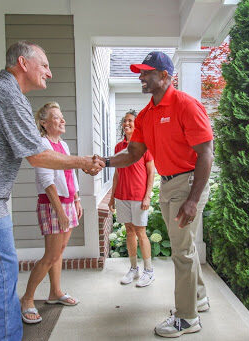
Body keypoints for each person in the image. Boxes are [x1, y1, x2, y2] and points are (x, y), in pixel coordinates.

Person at [89, 51, 213, 338]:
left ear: (165, 76)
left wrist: (193, 199)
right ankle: (199, 298)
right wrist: (105, 161)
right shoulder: (145, 114)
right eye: (140, 72)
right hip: (169, 185)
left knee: (181, 252)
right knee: (187, 247)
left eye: (147, 72)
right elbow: (133, 153)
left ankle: (186, 318)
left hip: (189, 183)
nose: (141, 77)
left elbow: (206, 153)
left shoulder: (185, 105)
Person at [0, 41, 103, 341]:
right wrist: (83, 162)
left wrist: (75, 196)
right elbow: (38, 158)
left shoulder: (1, 93)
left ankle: (54, 292)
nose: (50, 74)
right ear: (23, 64)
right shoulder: (6, 94)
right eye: (45, 66)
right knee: (1, 281)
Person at [20, 102, 82, 324]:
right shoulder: (42, 145)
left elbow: (70, 173)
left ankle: (55, 293)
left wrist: (76, 199)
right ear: (44, 124)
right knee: (50, 255)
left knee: (59, 252)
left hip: (67, 203)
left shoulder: (63, 145)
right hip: (52, 204)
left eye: (62, 115)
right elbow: (47, 182)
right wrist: (60, 211)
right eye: (57, 117)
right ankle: (27, 299)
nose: (62, 119)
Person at [109, 110, 155, 287]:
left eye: (130, 121)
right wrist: (112, 197)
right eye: (125, 121)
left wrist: (147, 196)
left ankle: (149, 271)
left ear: (136, 125)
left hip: (138, 196)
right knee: (129, 231)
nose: (127, 123)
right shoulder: (118, 147)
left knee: (140, 232)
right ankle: (134, 269)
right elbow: (117, 174)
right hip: (122, 196)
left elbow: (151, 172)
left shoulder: (144, 145)